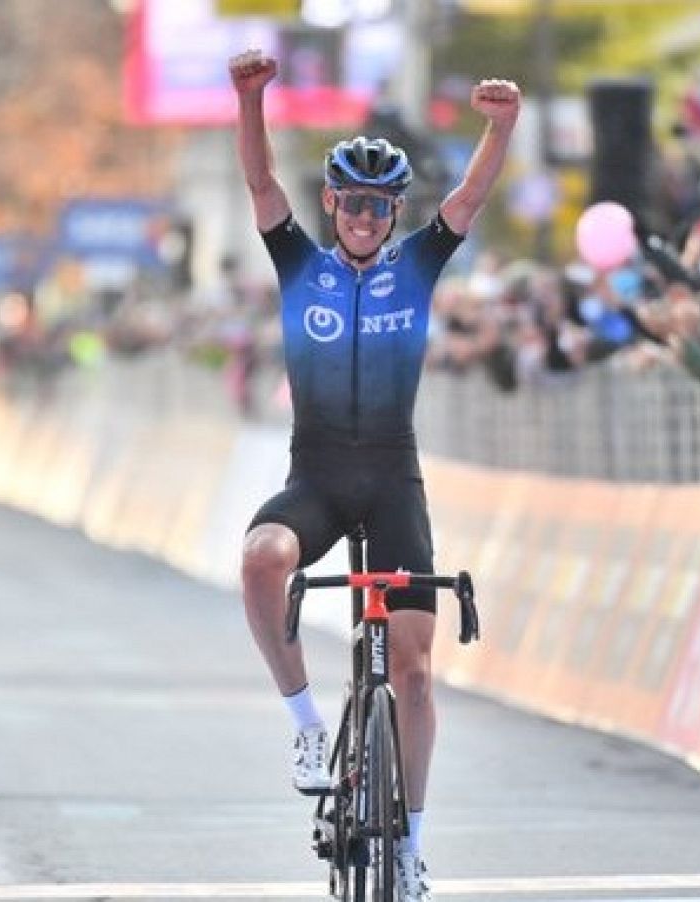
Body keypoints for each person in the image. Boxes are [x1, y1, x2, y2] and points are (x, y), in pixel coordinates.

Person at [229, 47, 519, 900]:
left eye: (379, 204)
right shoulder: (300, 265)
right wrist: (252, 101)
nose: (363, 215)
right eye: (352, 201)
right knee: (260, 557)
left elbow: (468, 199)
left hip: (393, 476)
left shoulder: (416, 266)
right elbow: (258, 186)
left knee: (417, 673)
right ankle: (308, 728)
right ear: (333, 204)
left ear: (394, 212)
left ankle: (409, 847)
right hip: (316, 474)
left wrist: (500, 127)